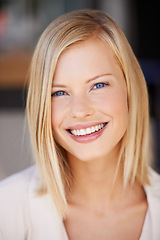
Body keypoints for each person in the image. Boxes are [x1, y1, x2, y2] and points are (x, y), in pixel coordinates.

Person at [0, 9, 160, 240]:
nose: (80, 110)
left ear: (129, 89)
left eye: (98, 85)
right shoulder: (7, 211)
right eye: (59, 92)